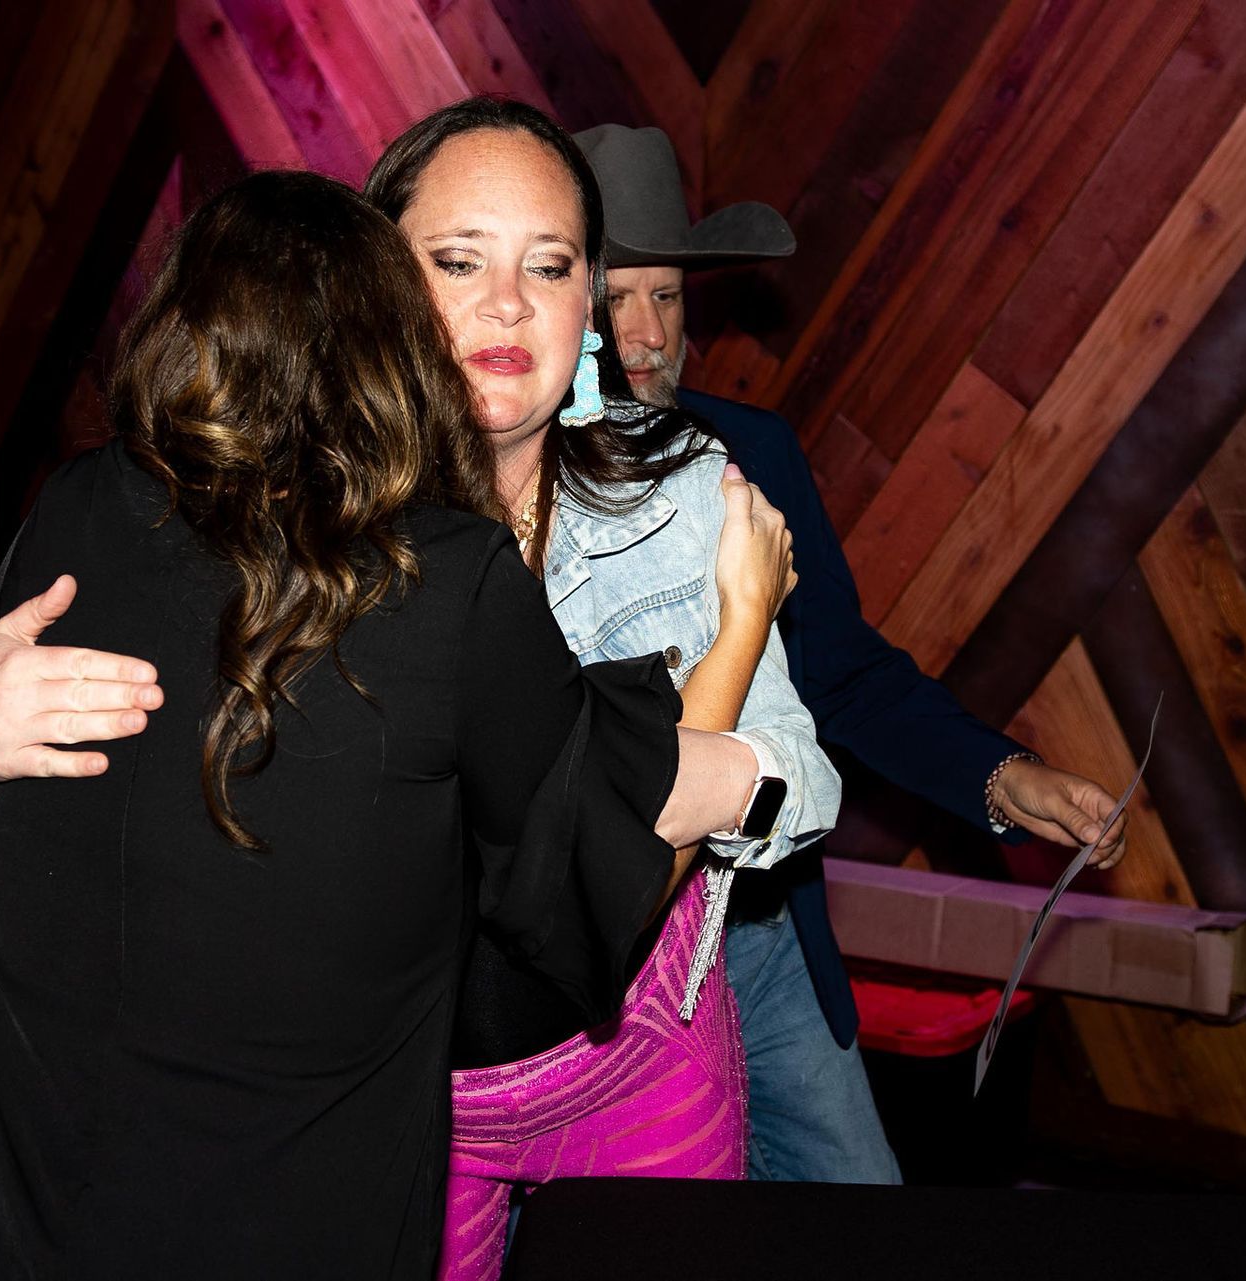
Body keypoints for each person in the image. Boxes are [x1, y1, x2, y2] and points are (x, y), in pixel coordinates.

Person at [0, 170, 771, 1280]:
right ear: (397, 339)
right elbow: (595, 874)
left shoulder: (81, 503)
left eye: (547, 266)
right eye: (455, 267)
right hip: (263, 1205)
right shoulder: (448, 583)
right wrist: (739, 644)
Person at [573, 121, 1131, 1185]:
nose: (646, 333)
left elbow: (845, 674)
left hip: (763, 937)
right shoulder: (513, 483)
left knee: (854, 1201)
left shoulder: (754, 451)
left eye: (667, 297)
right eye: (615, 297)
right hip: (613, 966)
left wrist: (1009, 778)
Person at [359, 99, 838, 1281]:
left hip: (643, 1062)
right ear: (371, 288)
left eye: (551, 264)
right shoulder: (312, 526)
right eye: (458, 260)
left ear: (587, 302)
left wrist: (714, 767)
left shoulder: (682, 492)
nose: (508, 302)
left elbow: (805, 772)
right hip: (399, 1089)